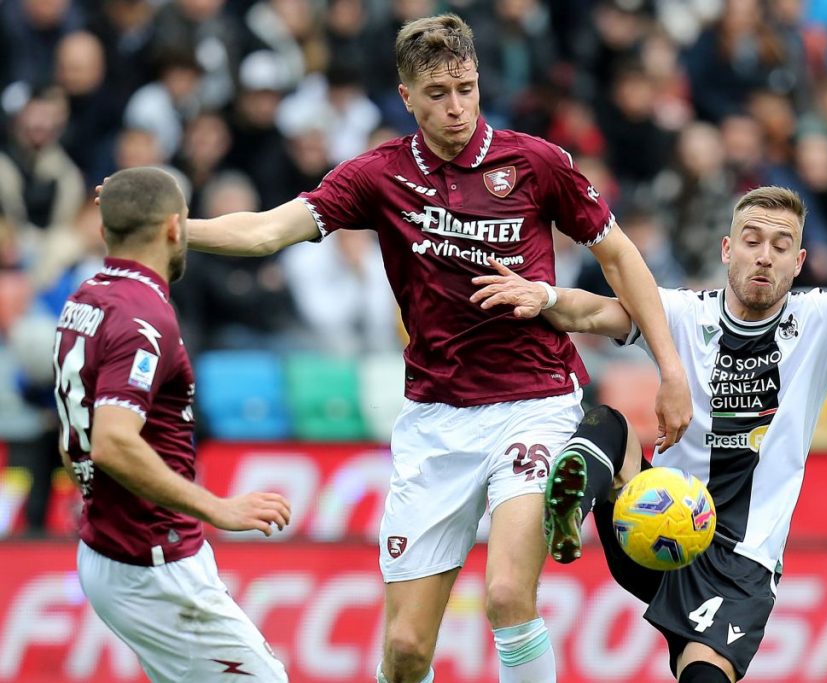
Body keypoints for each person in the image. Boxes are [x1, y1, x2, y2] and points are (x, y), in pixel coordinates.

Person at [120, 14, 692, 683]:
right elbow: (268, 231)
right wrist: (173, 229)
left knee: (508, 594)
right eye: (438, 93)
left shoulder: (535, 163)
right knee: (406, 649)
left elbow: (622, 258)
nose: (456, 106)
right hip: (436, 422)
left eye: (466, 88)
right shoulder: (378, 176)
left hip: (535, 401)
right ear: (406, 97)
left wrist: (670, 369)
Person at [470, 133, 827, 682]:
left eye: (780, 245)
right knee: (609, 424)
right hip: (653, 525)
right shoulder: (680, 312)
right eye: (752, 241)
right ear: (727, 251)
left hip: (740, 563)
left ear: (799, 263)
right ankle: (566, 519)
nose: (764, 255)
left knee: (704, 678)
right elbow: (596, 313)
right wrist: (547, 296)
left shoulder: (825, 321)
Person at [55, 167, 291, 682]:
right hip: (152, 562)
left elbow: (74, 434)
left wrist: (99, 499)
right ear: (173, 229)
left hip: (110, 546)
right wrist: (219, 507)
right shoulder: (144, 319)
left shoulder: (86, 300)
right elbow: (113, 443)